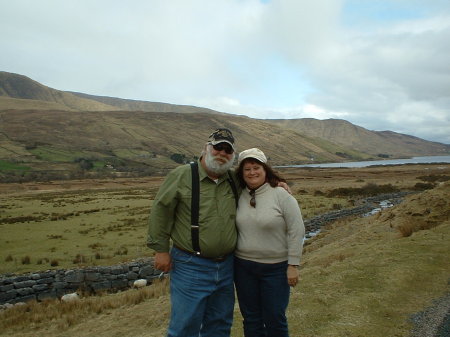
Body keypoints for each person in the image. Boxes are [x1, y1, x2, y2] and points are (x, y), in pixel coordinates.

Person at [147, 128, 240, 337]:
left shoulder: (234, 180)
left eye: (227, 150)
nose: (222, 153)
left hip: (227, 266)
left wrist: (277, 184)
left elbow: (258, 182)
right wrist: (160, 250)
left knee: (220, 324)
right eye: (218, 147)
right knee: (185, 327)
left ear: (232, 155)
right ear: (206, 149)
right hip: (191, 265)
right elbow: (161, 211)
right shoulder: (182, 175)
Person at [234, 148, 305, 337]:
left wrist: (293, 264)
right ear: (241, 173)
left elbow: (297, 230)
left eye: (256, 167)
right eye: (247, 169)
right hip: (243, 268)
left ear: (265, 169)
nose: (252, 173)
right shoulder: (238, 194)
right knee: (251, 318)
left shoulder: (281, 195)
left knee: (274, 317)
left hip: (275, 268)